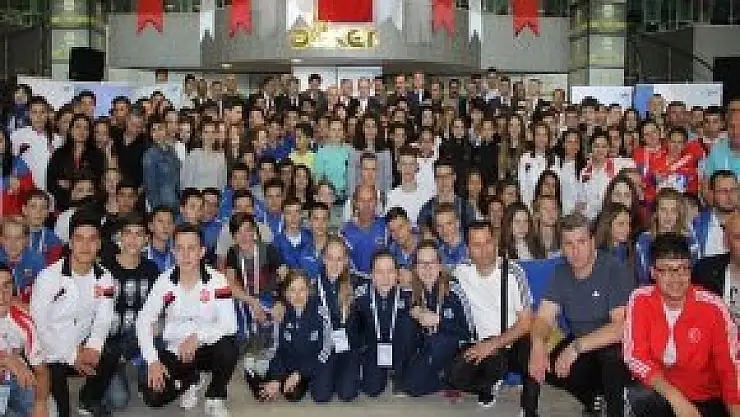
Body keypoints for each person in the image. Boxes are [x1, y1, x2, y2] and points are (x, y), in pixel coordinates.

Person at [529, 213, 634, 417]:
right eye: (569, 244)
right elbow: (543, 318)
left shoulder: (612, 268)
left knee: (612, 358)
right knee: (535, 355)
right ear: (562, 247)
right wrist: (538, 346)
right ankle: (593, 400)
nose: (575, 251)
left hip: (610, 346)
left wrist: (575, 348)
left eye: (581, 242)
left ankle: (616, 410)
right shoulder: (560, 272)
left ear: (592, 242)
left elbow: (620, 328)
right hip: (581, 346)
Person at [624, 233, 740, 417]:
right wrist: (675, 397)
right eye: (667, 270)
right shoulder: (640, 299)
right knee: (638, 395)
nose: (676, 278)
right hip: (664, 393)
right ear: (653, 272)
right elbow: (636, 357)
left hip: (706, 397)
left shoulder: (713, 307)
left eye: (683, 269)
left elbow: (729, 368)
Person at [136, 224, 238, 417]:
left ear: (202, 251)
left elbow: (229, 324)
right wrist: (153, 361)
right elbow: (144, 320)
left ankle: (215, 395)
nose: (185, 255)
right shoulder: (164, 281)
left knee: (229, 348)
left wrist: (197, 337)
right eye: (180, 248)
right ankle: (190, 380)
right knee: (153, 397)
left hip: (208, 348)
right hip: (176, 350)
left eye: (191, 248)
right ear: (173, 251)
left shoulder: (218, 280)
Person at [30, 210, 116, 417]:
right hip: (49, 347)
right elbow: (39, 326)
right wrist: (71, 355)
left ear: (99, 244)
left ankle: (88, 399)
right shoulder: (48, 277)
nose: (85, 246)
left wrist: (94, 347)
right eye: (79, 239)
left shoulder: (105, 278)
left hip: (81, 343)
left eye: (92, 239)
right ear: (70, 243)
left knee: (111, 352)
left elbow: (104, 319)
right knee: (62, 408)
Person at [450, 221, 537, 414]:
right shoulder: (461, 271)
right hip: (481, 346)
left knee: (533, 349)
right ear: (468, 249)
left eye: (488, 242)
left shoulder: (513, 272)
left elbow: (526, 322)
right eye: (477, 245)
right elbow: (436, 274)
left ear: (495, 242)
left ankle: (529, 409)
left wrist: (494, 344)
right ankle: (487, 385)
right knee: (455, 376)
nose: (484, 250)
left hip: (512, 342)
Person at [77, 214, 159, 414]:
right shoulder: (103, 268)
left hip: (137, 340)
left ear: (146, 239)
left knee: (158, 328)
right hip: (106, 342)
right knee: (119, 400)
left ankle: (128, 366)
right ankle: (93, 388)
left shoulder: (151, 269)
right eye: (128, 233)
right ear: (119, 237)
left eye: (139, 234)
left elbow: (158, 310)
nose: (133, 239)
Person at [245, 272, 328, 403]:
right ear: (286, 293)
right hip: (288, 362)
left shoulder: (321, 312)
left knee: (294, 395)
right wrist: (277, 378)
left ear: (309, 290)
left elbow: (325, 350)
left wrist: (299, 374)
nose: (297, 295)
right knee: (263, 394)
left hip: (311, 363)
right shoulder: (281, 313)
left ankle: (268, 371)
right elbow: (278, 349)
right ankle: (254, 372)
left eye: (302, 290)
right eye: (292, 290)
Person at [403, 240, 471, 397]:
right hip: (428, 348)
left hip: (451, 349)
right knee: (411, 385)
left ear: (440, 265)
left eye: (432, 262)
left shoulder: (454, 290)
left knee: (440, 342)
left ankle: (452, 377)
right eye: (422, 263)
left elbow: (468, 333)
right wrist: (414, 312)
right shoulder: (411, 291)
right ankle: (440, 377)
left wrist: (440, 321)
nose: (427, 268)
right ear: (415, 268)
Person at [352, 251, 415, 396]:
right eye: (379, 272)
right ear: (371, 274)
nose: (385, 277)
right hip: (374, 347)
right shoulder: (360, 296)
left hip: (399, 347)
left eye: (390, 271)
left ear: (397, 274)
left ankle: (399, 371)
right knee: (372, 389)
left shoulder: (408, 295)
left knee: (408, 323)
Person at [309, 236, 363, 402]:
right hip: (326, 348)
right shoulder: (313, 287)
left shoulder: (357, 283)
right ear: (323, 258)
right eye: (330, 258)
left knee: (347, 394)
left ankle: (352, 371)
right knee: (321, 396)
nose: (334, 264)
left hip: (349, 347)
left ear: (346, 260)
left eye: (339, 259)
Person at [0, 264, 48, 417]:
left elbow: (41, 371)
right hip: (12, 368)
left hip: (13, 377)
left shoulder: (23, 320)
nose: (1, 295)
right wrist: (7, 360)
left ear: (13, 288)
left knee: (49, 410)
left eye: (6, 286)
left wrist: (40, 404)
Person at [340, 184, 387, 277]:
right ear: (355, 203)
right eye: (362, 200)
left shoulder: (386, 226)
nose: (366, 205)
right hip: (355, 282)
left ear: (376, 202)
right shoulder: (345, 233)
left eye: (370, 200)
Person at [693, 170, 737, 259]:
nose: (729, 196)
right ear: (712, 194)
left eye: (733, 190)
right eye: (722, 191)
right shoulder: (697, 225)